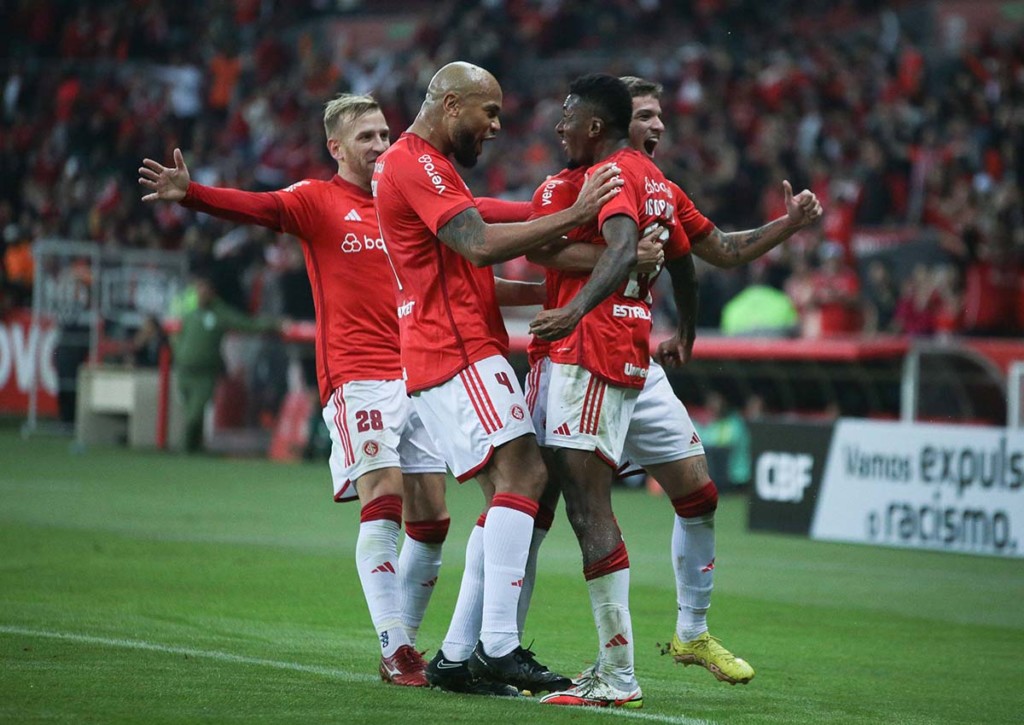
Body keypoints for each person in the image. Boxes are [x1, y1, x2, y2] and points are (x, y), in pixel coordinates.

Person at [139, 94, 458, 688]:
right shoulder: (317, 200)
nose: (380, 145)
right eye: (366, 137)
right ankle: (395, 646)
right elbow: (258, 207)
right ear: (336, 147)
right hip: (357, 375)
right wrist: (194, 193)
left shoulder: (406, 203)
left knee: (433, 516)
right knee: (383, 496)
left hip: (419, 375)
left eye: (384, 134)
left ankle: (406, 643)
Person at [371, 61, 622, 695]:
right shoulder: (415, 162)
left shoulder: (428, 169)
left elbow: (473, 267)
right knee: (527, 475)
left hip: (450, 349)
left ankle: (458, 658)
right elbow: (480, 244)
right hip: (454, 350)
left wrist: (556, 284)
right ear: (451, 104)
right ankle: (500, 647)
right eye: (489, 113)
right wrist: (579, 211)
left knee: (508, 494)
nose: (496, 127)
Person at [615, 74, 821, 684]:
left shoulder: (663, 191)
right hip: (579, 360)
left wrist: (788, 224)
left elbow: (722, 250)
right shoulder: (588, 182)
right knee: (534, 505)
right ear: (612, 122)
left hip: (637, 362)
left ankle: (692, 632)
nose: (658, 124)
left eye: (660, 114)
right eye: (644, 114)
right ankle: (488, 643)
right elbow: (553, 255)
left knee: (700, 494)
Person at [522, 72, 703, 709]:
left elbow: (623, 247)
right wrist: (687, 329)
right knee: (580, 506)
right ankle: (611, 667)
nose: (559, 126)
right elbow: (684, 262)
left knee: (588, 509)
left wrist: (573, 312)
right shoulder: (653, 178)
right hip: (620, 351)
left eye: (568, 116)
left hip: (592, 353)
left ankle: (619, 675)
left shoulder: (613, 173)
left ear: (595, 126)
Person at [168, 272, 280, 453]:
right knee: (189, 412)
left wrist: (274, 324)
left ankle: (185, 448)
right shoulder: (190, 312)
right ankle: (195, 448)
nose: (201, 293)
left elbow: (246, 324)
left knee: (194, 414)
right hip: (184, 370)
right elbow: (178, 336)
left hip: (205, 372)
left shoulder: (220, 313)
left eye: (204, 289)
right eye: (199, 288)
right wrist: (179, 353)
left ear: (212, 292)